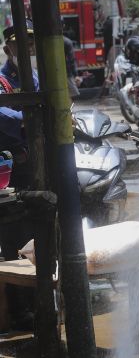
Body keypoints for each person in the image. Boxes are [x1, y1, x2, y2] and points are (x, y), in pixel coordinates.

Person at [0, 19, 40, 332]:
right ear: (7, 48)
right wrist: (33, 114)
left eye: (29, 44)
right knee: (13, 242)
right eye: (19, 45)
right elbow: (9, 116)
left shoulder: (36, 77)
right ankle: (19, 309)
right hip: (10, 177)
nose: (25, 49)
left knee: (40, 237)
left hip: (36, 171)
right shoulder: (2, 82)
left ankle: (40, 303)